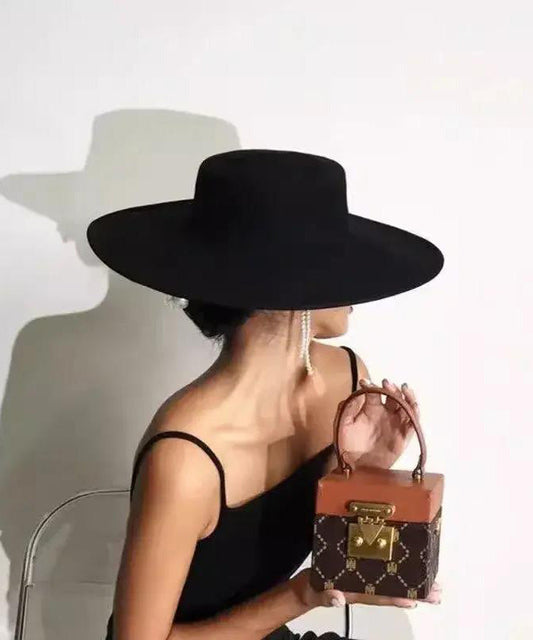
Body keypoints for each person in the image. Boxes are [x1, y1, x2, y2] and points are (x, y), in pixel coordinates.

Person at [86, 149, 445, 640]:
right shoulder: (185, 458)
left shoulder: (345, 377)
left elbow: (325, 545)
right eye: (338, 267)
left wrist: (365, 472)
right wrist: (301, 595)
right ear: (289, 291)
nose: (356, 291)